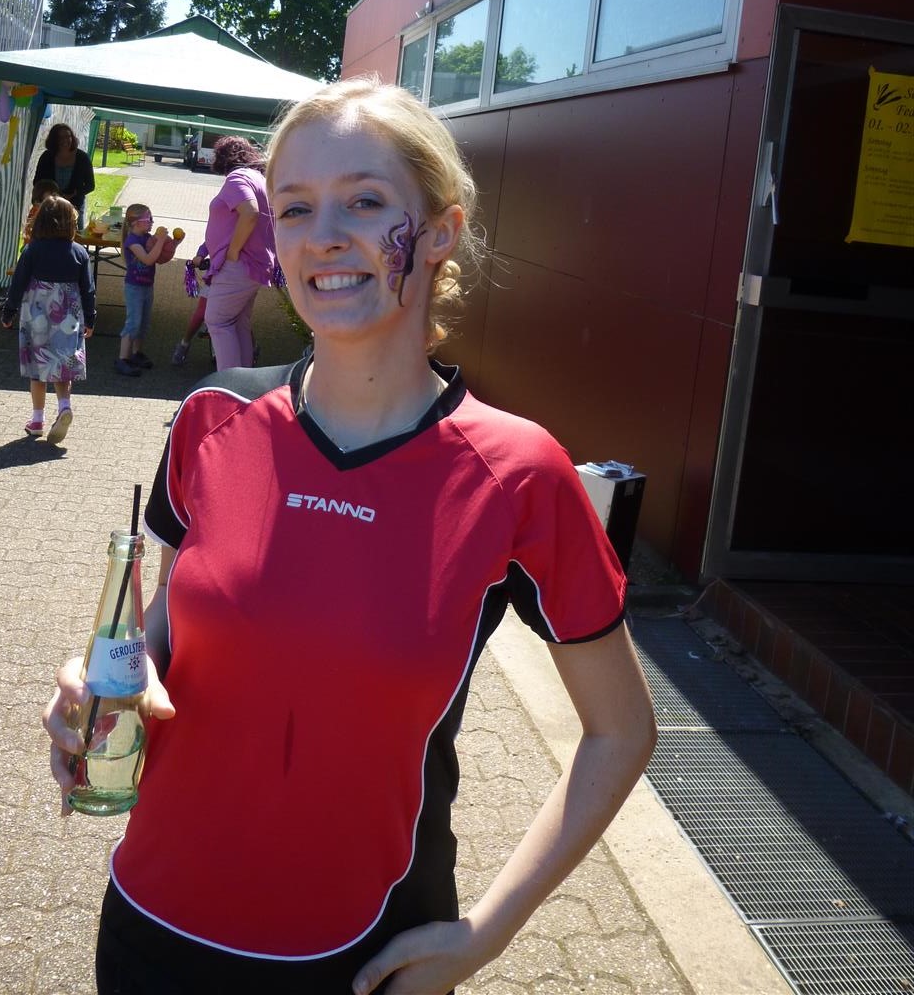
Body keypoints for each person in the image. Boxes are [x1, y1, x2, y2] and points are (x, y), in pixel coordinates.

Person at [43, 77, 657, 995]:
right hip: (151, 930)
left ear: (440, 231)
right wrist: (99, 686)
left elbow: (623, 730)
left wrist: (486, 932)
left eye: (365, 202)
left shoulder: (519, 473)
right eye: (295, 208)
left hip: (366, 960)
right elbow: (164, 634)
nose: (322, 235)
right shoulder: (214, 416)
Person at [1, 195, 95, 445]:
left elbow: (18, 283)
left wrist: (8, 312)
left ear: (41, 221)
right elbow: (88, 289)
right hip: (68, 317)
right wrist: (90, 318)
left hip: (37, 316)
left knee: (38, 367)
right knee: (63, 365)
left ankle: (37, 420)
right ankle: (64, 406)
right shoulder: (79, 252)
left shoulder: (32, 250)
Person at [201, 135, 276, 370]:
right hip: (253, 266)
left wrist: (232, 252)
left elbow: (250, 212)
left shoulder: (237, 177)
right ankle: (244, 383)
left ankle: (229, 386)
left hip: (239, 265)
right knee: (239, 323)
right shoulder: (259, 179)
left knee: (217, 321)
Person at [115, 203, 169, 378]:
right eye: (149, 219)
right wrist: (160, 241)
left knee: (144, 323)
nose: (152, 222)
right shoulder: (132, 241)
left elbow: (161, 256)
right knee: (133, 322)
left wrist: (173, 243)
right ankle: (123, 358)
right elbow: (148, 259)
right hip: (134, 287)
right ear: (136, 222)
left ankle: (136, 353)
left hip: (147, 286)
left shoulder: (147, 237)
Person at [33, 123, 96, 229]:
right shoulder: (46, 157)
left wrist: (75, 193)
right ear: (54, 140)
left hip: (75, 206)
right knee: (49, 235)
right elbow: (37, 182)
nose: (65, 140)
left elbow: (90, 185)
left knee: (76, 236)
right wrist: (51, 194)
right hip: (50, 208)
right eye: (60, 137)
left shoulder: (82, 158)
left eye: (68, 136)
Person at [169, 244, 210, 366]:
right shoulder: (219, 232)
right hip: (215, 278)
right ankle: (184, 344)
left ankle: (250, 347)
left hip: (235, 278)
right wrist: (200, 256)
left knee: (239, 316)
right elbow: (208, 242)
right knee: (200, 314)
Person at [23, 178, 60, 248]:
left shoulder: (48, 208)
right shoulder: (38, 210)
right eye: (52, 194)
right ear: (40, 193)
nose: (55, 196)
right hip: (35, 246)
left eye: (56, 194)